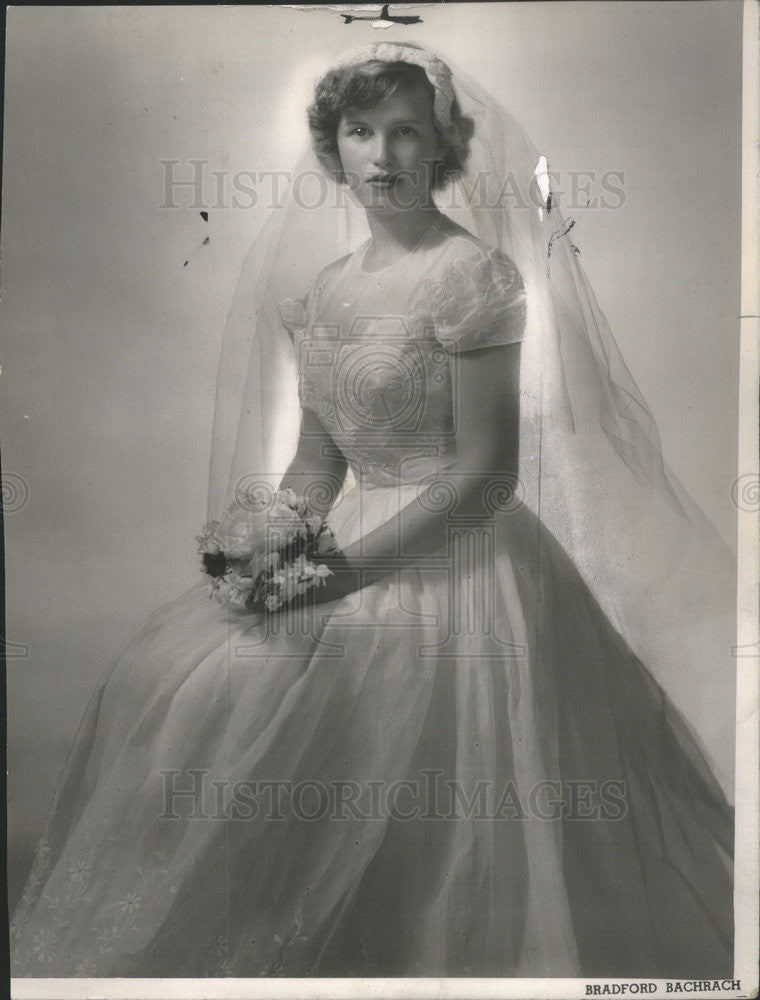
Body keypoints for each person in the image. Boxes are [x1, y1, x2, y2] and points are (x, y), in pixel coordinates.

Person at [11, 41, 734, 979]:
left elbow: (483, 478)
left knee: (446, 801)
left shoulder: (471, 278)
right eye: (361, 132)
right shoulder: (327, 289)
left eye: (406, 132)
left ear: (443, 147)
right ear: (334, 147)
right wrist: (274, 550)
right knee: (189, 690)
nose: (383, 154)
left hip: (463, 563)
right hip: (348, 546)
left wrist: (336, 578)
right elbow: (317, 462)